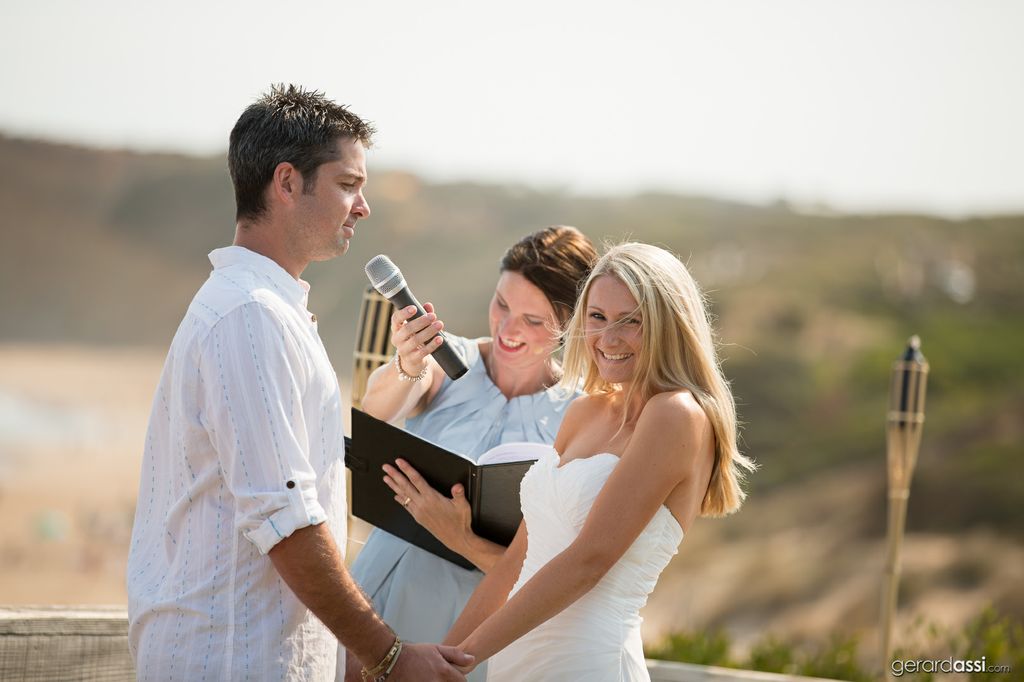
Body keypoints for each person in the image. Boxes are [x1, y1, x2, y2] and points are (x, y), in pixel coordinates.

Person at [126, 84, 470, 681]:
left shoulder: (265, 310)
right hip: (230, 660)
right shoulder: (249, 315)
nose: (363, 206)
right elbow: (284, 519)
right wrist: (387, 656)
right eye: (347, 184)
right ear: (286, 183)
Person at [442, 242, 756, 681]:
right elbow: (518, 562)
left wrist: (463, 659)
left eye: (632, 322)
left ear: (671, 326)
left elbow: (588, 561)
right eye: (597, 317)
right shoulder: (584, 412)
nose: (608, 339)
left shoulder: (676, 415)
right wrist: (442, 658)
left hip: (587, 664)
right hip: (513, 665)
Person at [343, 226, 598, 681]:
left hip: (476, 627)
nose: (507, 327)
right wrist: (408, 363)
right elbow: (376, 411)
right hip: (383, 594)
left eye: (533, 320)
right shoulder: (447, 360)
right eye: (502, 304)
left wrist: (462, 539)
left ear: (569, 325)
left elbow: (557, 569)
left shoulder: (579, 418)